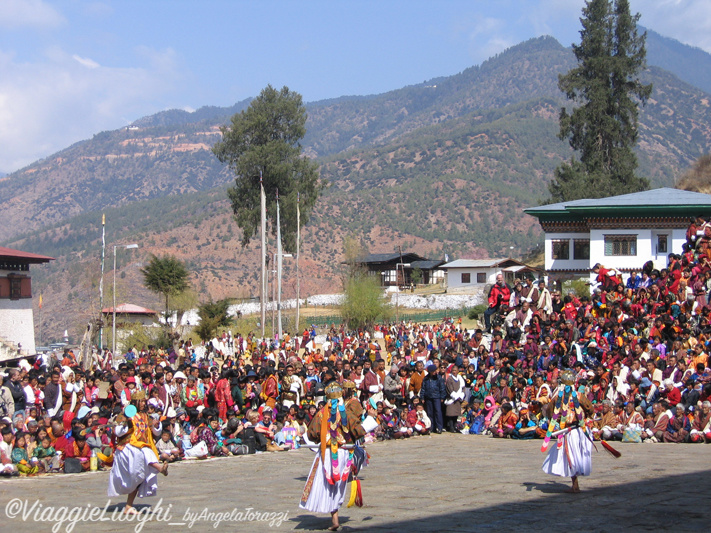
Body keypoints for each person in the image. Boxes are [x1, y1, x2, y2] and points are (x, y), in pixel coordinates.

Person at [300, 381, 366, 531]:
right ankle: (335, 513)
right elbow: (359, 431)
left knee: (327, 483)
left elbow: (311, 433)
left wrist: (322, 437)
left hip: (327, 451)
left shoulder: (321, 413)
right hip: (343, 452)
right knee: (338, 484)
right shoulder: (346, 413)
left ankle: (334, 517)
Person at [542, 370, 592, 493]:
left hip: (575, 429)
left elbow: (550, 410)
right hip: (570, 429)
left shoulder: (565, 396)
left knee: (572, 456)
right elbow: (590, 408)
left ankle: (575, 485)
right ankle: (575, 484)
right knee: (571, 456)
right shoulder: (573, 396)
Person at [107, 418, 168, 515]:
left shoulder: (145, 416)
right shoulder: (123, 415)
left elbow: (156, 433)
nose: (143, 403)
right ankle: (159, 468)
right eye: (142, 401)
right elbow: (117, 432)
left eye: (144, 401)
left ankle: (128, 506)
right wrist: (125, 425)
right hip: (127, 449)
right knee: (145, 453)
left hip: (140, 448)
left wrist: (156, 426)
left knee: (139, 477)